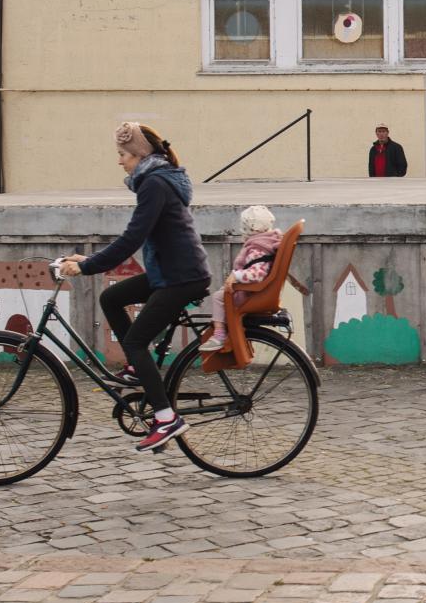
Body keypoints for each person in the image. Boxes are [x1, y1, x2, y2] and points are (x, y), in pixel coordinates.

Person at [59, 123, 210, 452]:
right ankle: (139, 371)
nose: (119, 161)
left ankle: (167, 417)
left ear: (140, 155)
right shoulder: (156, 180)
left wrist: (87, 266)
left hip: (181, 278)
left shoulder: (155, 184)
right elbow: (136, 238)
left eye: (123, 154)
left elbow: (132, 238)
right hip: (170, 273)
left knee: (138, 342)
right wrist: (91, 259)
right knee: (112, 297)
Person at [203, 205, 282, 352]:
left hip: (249, 295)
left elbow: (257, 274)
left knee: (218, 297)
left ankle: (219, 335)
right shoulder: (267, 242)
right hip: (254, 293)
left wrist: (236, 275)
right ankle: (222, 328)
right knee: (223, 293)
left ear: (252, 228)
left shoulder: (257, 248)